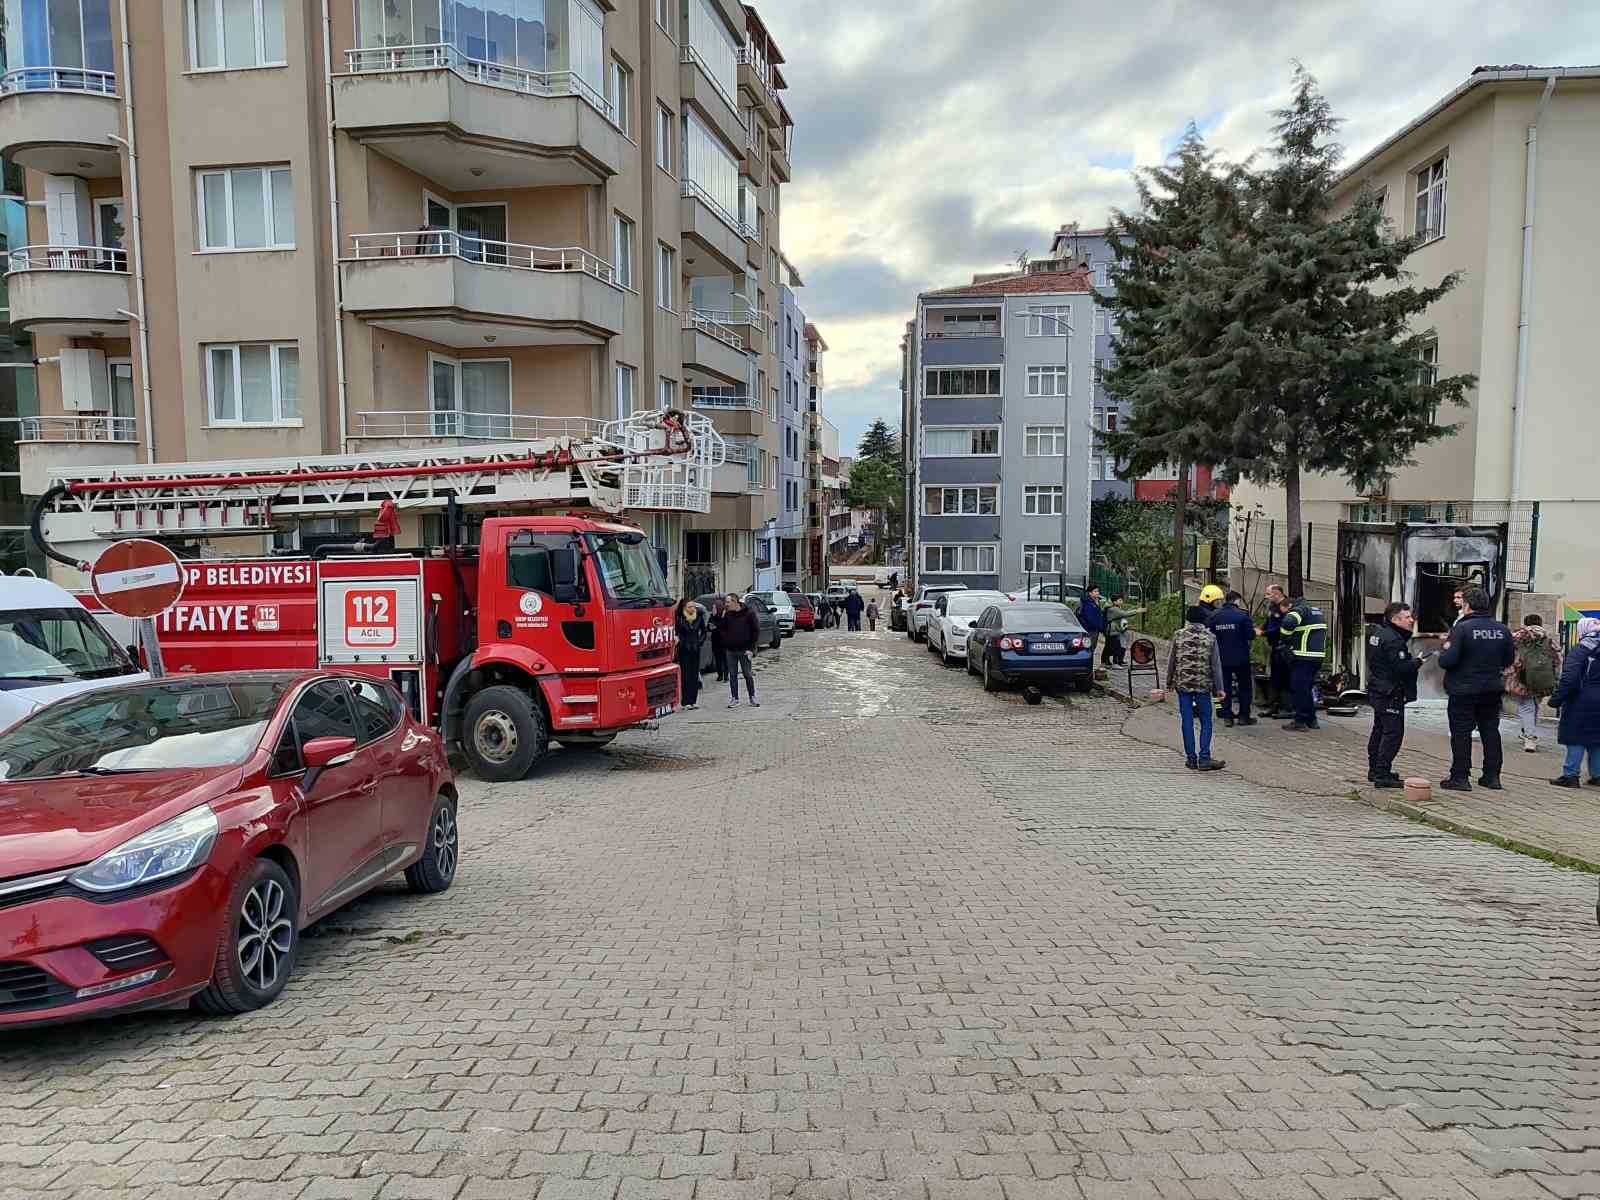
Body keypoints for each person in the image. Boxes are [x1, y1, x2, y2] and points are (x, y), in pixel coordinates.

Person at [1436, 586, 1514, 791]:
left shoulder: (1462, 629)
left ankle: (1460, 777)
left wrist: (1444, 652)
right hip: (1492, 689)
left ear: (1467, 605)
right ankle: (1492, 776)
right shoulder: (1502, 629)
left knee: (1461, 732)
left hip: (1463, 689)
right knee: (1490, 731)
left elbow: (1448, 661)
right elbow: (1508, 660)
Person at [1153, 606, 1226, 771]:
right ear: (1204, 620)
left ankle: (1191, 759)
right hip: (1202, 685)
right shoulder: (1210, 637)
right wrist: (1219, 688)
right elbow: (1215, 665)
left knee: (1187, 720)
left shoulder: (1178, 635)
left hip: (1183, 685)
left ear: (1188, 619)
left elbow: (1172, 660)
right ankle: (1204, 757)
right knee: (1206, 721)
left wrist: (1169, 682)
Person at [1365, 602, 1426, 788]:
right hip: (1390, 692)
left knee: (1379, 730)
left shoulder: (1379, 634)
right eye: (1407, 617)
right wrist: (1417, 662)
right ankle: (1382, 773)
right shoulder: (1393, 640)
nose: (1411, 620)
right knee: (1392, 734)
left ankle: (1375, 769)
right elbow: (1401, 668)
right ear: (1395, 619)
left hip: (1379, 688)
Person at [1550, 616, 1600, 789]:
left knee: (1576, 737)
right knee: (1597, 738)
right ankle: (1597, 775)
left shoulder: (1581, 649)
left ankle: (1570, 775)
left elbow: (1570, 678)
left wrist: (1557, 699)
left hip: (1581, 698)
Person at [1506, 613, 1560, 752]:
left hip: (1521, 676)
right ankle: (1527, 732)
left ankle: (1530, 737)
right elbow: (1557, 659)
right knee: (1534, 705)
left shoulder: (1518, 636)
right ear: (1540, 623)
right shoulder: (1548, 638)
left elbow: (1507, 653)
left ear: (1526, 623)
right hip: (1541, 677)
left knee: (1526, 707)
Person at [1276, 592, 1327, 731]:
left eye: (1286, 611)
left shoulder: (1300, 609)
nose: (1286, 614)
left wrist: (1285, 639)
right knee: (1306, 689)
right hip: (1317, 657)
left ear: (1290, 606)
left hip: (1303, 656)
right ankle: (1311, 719)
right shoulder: (1315, 610)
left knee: (1298, 689)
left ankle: (1300, 721)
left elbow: (1288, 622)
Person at [1206, 590, 1257, 727]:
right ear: (1237, 601)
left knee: (1224, 687)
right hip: (1241, 658)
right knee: (1244, 687)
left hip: (1221, 658)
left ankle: (1227, 716)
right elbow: (1250, 635)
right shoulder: (1242, 615)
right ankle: (1244, 716)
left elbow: (1209, 636)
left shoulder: (1214, 616)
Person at [719, 593, 760, 708]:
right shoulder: (728, 614)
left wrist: (751, 648)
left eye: (728, 602)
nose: (726, 605)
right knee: (732, 675)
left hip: (745, 650)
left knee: (747, 674)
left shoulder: (749, 613)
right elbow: (722, 629)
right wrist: (722, 617)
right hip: (731, 650)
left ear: (735, 602)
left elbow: (756, 631)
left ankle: (752, 697)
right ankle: (735, 698)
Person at [1262, 585, 1292, 718]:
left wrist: (1264, 633)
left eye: (1268, 594)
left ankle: (1286, 707)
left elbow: (1282, 627)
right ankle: (1273, 706)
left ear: (1277, 594)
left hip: (1284, 647)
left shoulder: (1286, 607)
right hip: (1274, 647)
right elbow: (1269, 621)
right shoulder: (1272, 606)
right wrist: (1261, 629)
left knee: (1284, 678)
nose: (1266, 597)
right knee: (1274, 678)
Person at [673, 598, 707, 710]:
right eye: (690, 607)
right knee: (686, 675)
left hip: (695, 649)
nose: (692, 608)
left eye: (693, 606)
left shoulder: (699, 617)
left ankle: (693, 700)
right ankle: (686, 701)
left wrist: (699, 642)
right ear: (684, 608)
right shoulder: (679, 618)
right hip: (684, 649)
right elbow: (676, 632)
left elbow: (704, 631)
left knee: (694, 675)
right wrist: (680, 642)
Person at [1101, 595, 1145, 668]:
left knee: (1110, 646)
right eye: (1120, 600)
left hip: (1113, 630)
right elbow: (1124, 614)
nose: (1121, 602)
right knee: (1114, 647)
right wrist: (1136, 611)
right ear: (1114, 602)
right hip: (1112, 630)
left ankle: (1107, 662)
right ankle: (1113, 663)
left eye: (1121, 600)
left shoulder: (1114, 608)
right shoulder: (1113, 609)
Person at [1079, 586, 1107, 660]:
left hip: (1095, 629)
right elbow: (1090, 617)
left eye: (1098, 591)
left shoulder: (1095, 602)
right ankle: (1087, 664)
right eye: (1095, 591)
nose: (1097, 593)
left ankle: (1089, 663)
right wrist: (1098, 627)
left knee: (1092, 647)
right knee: (1089, 648)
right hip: (1090, 629)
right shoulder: (1088, 603)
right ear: (1090, 593)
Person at [708, 597, 728, 682]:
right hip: (716, 641)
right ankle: (720, 674)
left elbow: (723, 626)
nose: (713, 609)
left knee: (725, 659)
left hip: (724, 641)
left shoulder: (725, 616)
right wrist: (713, 626)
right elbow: (709, 627)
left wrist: (716, 626)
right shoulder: (712, 616)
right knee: (717, 659)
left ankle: (726, 676)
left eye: (714, 607)